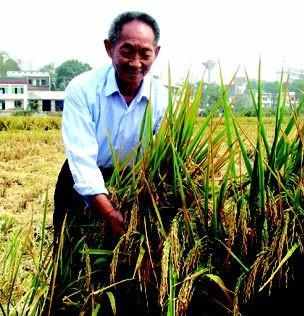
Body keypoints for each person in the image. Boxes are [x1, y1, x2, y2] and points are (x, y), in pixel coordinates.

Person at [51, 11, 167, 315]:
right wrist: (108, 211)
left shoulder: (162, 97)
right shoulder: (82, 89)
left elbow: (165, 156)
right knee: (72, 266)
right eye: (126, 50)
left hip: (133, 183)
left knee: (124, 270)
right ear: (109, 48)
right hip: (81, 183)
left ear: (157, 53)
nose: (135, 62)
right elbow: (82, 158)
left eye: (145, 53)